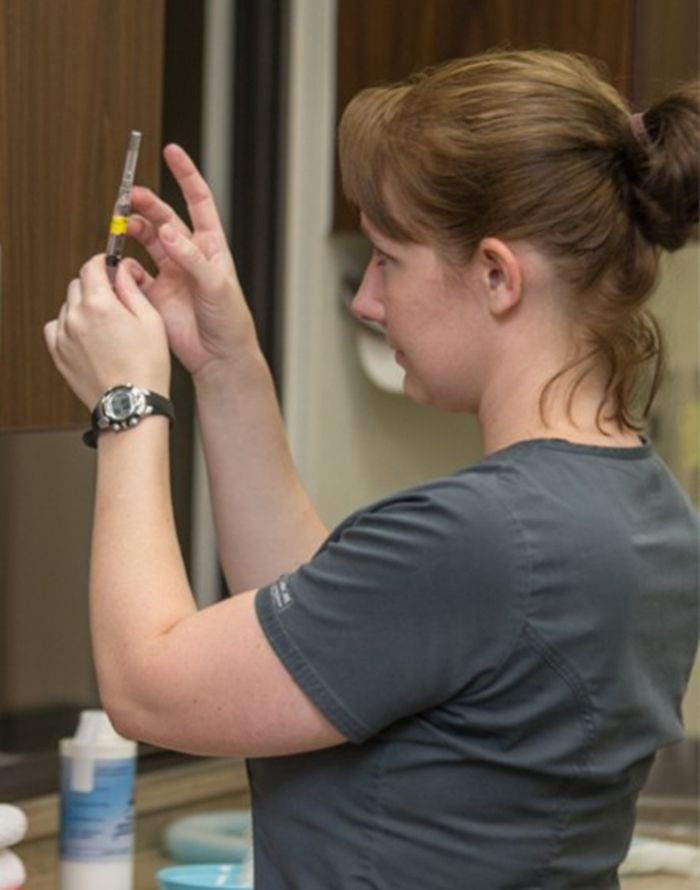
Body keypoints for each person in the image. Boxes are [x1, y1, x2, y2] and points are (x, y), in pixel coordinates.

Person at [45, 49, 699, 889]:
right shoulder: (641, 510)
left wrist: (128, 402)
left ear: (497, 276)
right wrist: (225, 361)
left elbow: (148, 685)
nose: (366, 298)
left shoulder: (486, 536)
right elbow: (327, 635)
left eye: (389, 258)